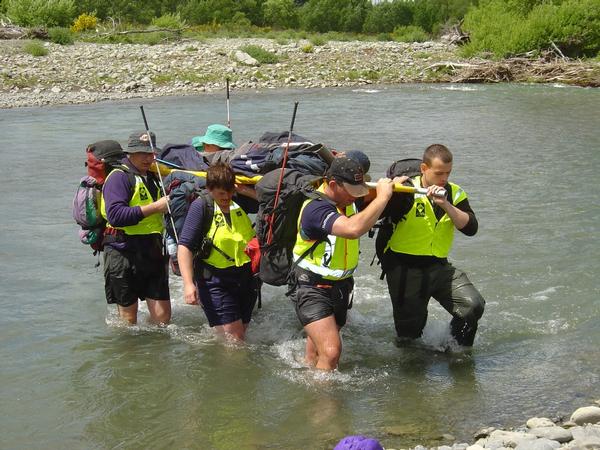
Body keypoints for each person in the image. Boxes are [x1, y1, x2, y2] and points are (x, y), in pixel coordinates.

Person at [289, 157, 394, 370]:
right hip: (311, 286)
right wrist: (383, 198)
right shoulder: (315, 209)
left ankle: (309, 377)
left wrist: (394, 182)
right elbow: (352, 229)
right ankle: (325, 402)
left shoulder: (347, 200)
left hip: (340, 285)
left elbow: (366, 199)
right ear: (333, 185)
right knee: (331, 352)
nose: (355, 198)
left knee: (317, 352)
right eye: (351, 192)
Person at [382, 144, 485, 347]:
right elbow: (382, 213)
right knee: (409, 337)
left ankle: (456, 349)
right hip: (404, 267)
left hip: (439, 266)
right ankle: (413, 372)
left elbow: (471, 228)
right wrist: (391, 192)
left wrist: (445, 205)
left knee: (473, 306)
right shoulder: (406, 190)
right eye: (439, 173)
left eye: (448, 172)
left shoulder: (455, 193)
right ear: (423, 169)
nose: (444, 178)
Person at [177, 162, 257, 341]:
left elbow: (269, 201)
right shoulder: (201, 207)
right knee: (235, 339)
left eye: (230, 191)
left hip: (244, 279)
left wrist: (244, 191)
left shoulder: (238, 203)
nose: (227, 196)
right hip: (215, 280)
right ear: (210, 189)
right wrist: (188, 284)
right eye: (222, 193)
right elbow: (185, 246)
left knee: (241, 335)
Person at [101, 131, 171, 325]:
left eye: (151, 154)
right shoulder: (119, 177)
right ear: (130, 153)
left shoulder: (154, 177)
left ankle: (155, 352)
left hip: (153, 251)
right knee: (128, 320)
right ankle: (129, 352)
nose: (148, 158)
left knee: (163, 319)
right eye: (143, 153)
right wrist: (156, 207)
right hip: (122, 252)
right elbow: (115, 216)